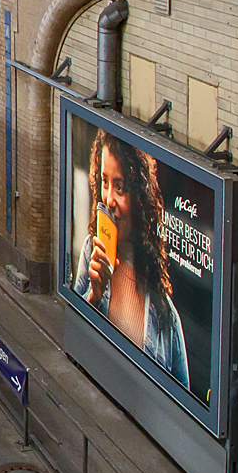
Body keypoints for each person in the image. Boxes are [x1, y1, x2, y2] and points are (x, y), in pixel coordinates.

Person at [73, 128, 190, 388]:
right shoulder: (91, 254)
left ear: (139, 197)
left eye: (120, 187)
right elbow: (70, 340)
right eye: (104, 182)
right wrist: (93, 295)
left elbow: (180, 398)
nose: (108, 199)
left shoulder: (166, 315)